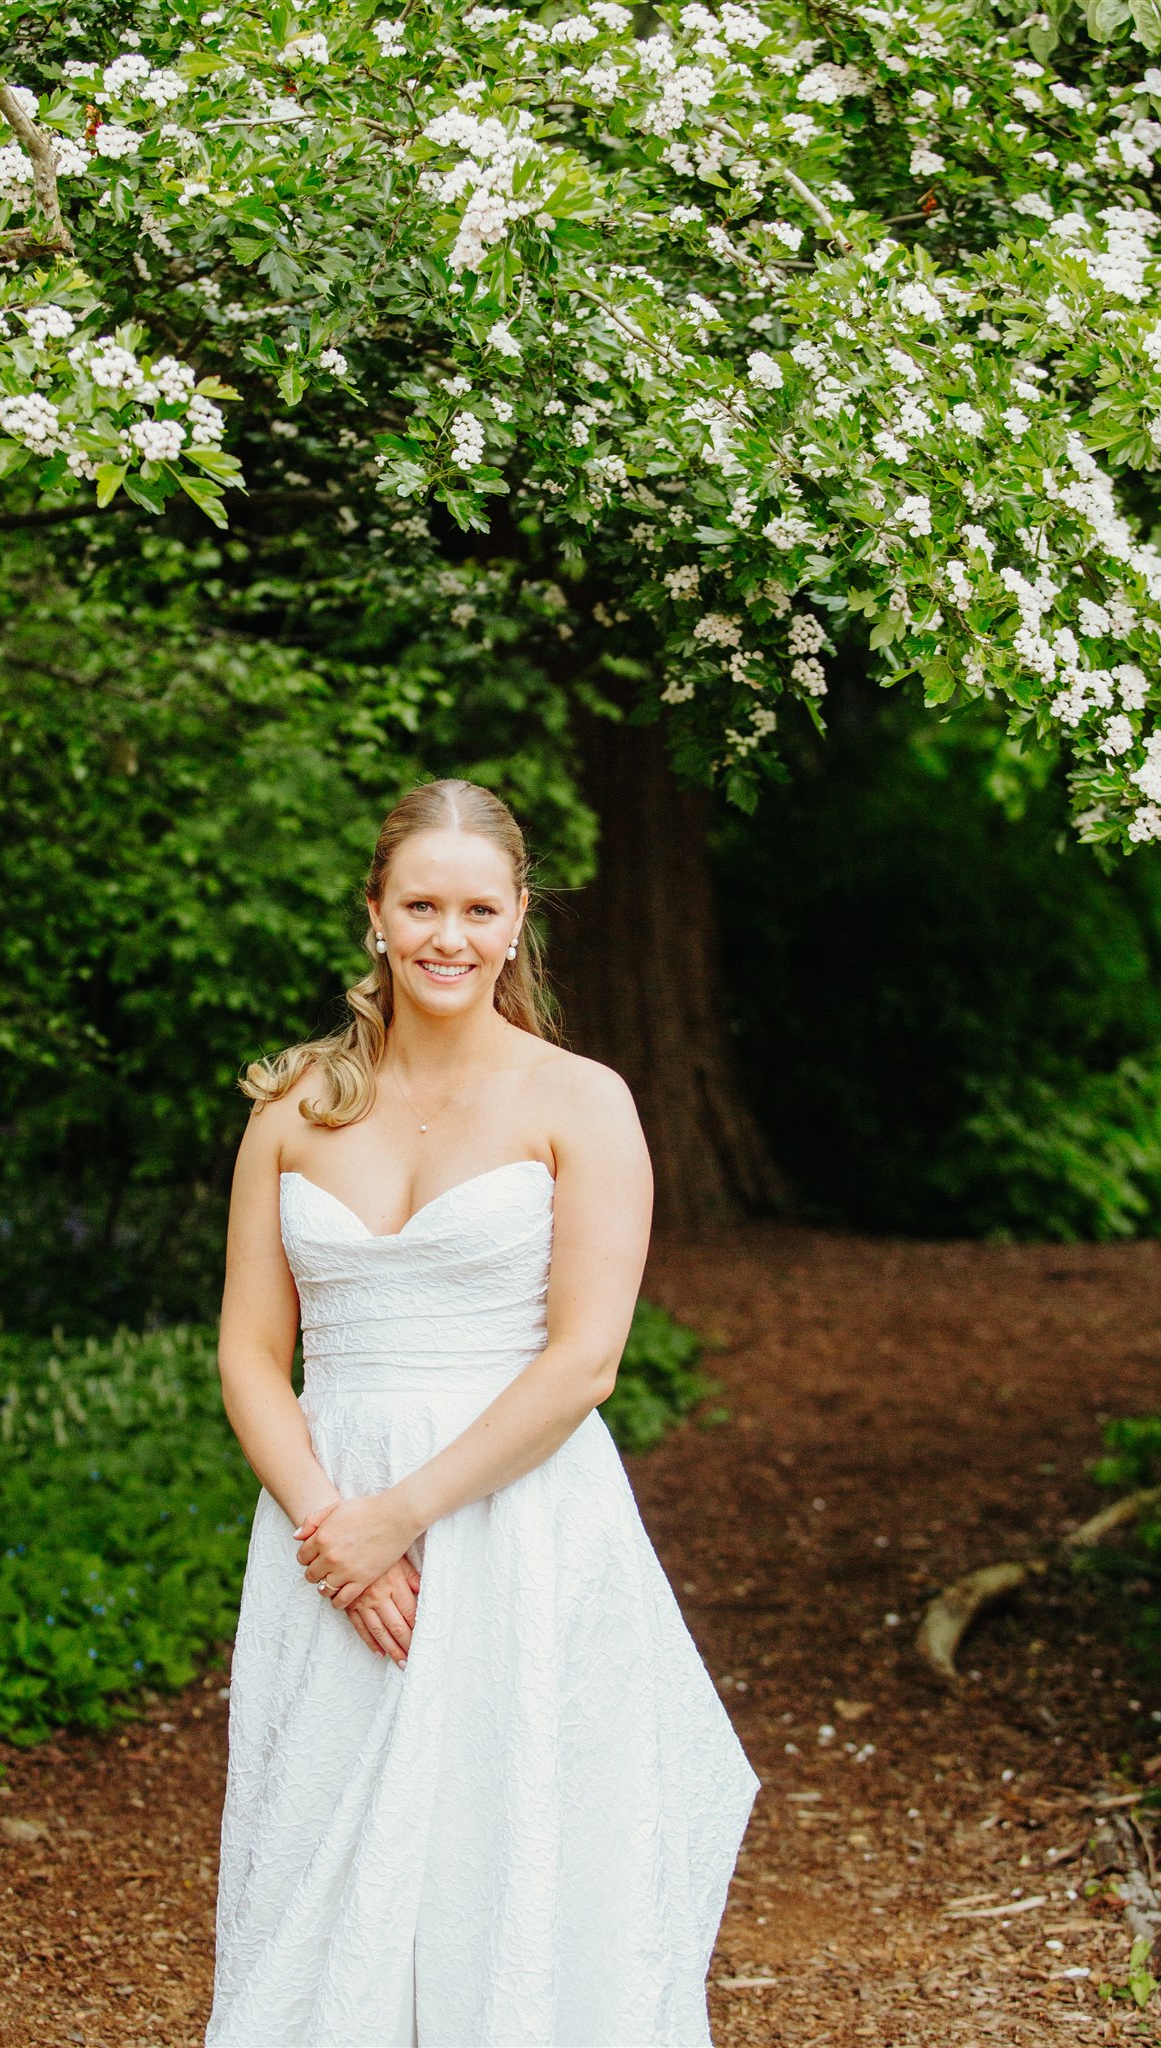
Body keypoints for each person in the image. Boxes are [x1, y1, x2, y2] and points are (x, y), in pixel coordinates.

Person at [204, 778, 757, 2048]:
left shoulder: (582, 1101)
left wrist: (396, 1517)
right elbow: (247, 1347)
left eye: (476, 907)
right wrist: (330, 1527)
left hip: (514, 1519)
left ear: (516, 924)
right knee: (317, 1850)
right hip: (322, 1524)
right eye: (419, 904)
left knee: (502, 1848)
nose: (445, 935)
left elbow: (582, 1361)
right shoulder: (293, 1106)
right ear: (374, 915)